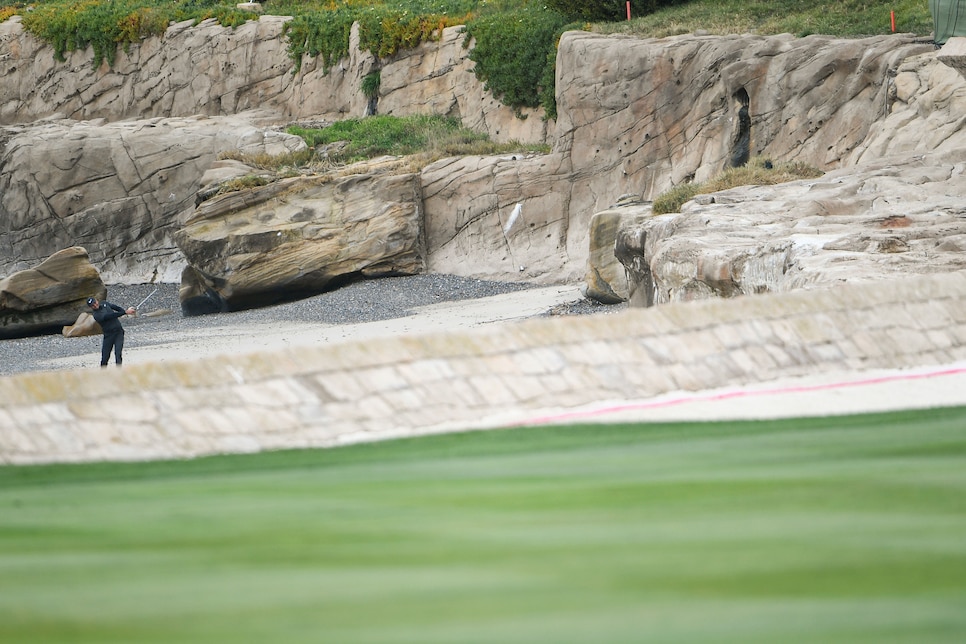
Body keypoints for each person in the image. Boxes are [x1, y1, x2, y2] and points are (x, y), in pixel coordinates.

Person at [87, 297, 136, 367]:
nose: (95, 305)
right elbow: (110, 316)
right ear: (91, 307)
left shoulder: (105, 303)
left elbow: (116, 308)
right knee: (105, 356)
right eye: (92, 305)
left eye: (95, 303)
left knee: (118, 353)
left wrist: (125, 312)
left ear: (97, 300)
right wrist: (125, 312)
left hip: (119, 332)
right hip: (109, 335)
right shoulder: (96, 315)